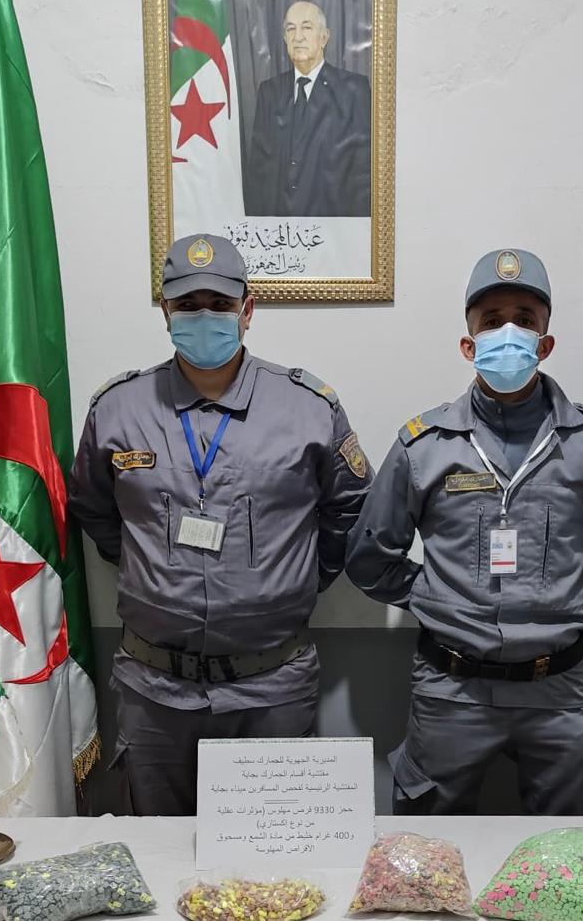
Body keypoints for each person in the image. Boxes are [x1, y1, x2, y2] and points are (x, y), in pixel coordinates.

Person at [68, 233, 372, 815]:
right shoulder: (117, 409)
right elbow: (93, 507)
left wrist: (302, 580)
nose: (203, 316)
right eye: (187, 305)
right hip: (154, 688)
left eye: (219, 304)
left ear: (247, 310)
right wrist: (146, 571)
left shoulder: (309, 408)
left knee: (276, 857)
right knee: (159, 851)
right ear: (165, 312)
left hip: (272, 686)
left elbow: (351, 508)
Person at [345, 248, 583, 816]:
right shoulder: (425, 447)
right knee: (431, 848)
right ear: (469, 345)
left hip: (559, 690)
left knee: (567, 850)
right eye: (491, 321)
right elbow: (369, 557)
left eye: (524, 319)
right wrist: (436, 597)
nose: (508, 332)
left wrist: (567, 590)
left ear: (545, 343)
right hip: (451, 690)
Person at [245, 0, 371, 217]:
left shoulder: (353, 90)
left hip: (332, 226)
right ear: (285, 38)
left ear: (324, 37)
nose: (298, 37)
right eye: (291, 29)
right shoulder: (269, 92)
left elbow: (362, 174)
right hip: (278, 227)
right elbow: (258, 174)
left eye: (307, 27)